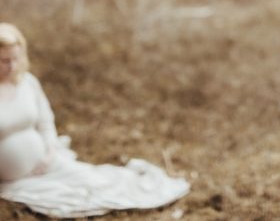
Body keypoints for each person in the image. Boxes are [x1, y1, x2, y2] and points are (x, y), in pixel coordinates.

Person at [0, 22, 190, 218]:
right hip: (12, 179)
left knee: (94, 183)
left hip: (48, 163)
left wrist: (48, 152)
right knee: (61, 198)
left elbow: (46, 122)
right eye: (4, 60)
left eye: (15, 58)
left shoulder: (28, 82)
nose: (11, 66)